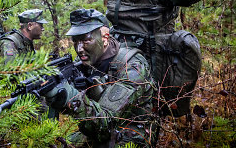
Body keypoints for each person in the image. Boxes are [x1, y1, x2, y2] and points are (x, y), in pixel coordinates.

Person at [44, 9, 157, 147]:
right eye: (76, 41)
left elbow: (107, 123)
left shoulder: (131, 67)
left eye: (86, 40)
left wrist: (73, 98)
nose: (79, 49)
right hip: (99, 127)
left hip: (131, 132)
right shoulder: (87, 61)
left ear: (105, 38)